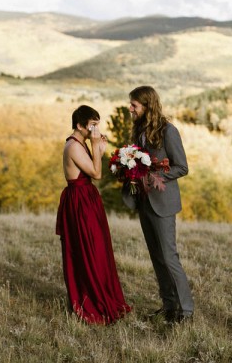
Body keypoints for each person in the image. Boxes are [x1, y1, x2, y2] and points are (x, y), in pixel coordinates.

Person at [122, 85, 194, 323]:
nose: (130, 108)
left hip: (163, 202)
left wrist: (153, 176)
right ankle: (169, 306)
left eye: (134, 105)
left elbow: (181, 167)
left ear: (147, 105)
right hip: (145, 202)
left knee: (169, 256)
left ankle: (186, 311)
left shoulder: (168, 131)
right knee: (156, 257)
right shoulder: (139, 129)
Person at [56, 105, 131, 324]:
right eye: (92, 125)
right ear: (80, 125)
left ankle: (103, 294)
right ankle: (91, 301)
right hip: (80, 202)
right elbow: (97, 173)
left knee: (98, 249)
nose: (96, 129)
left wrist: (98, 148)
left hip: (87, 199)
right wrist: (96, 146)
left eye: (97, 124)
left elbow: (94, 168)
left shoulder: (81, 142)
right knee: (88, 250)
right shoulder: (73, 146)